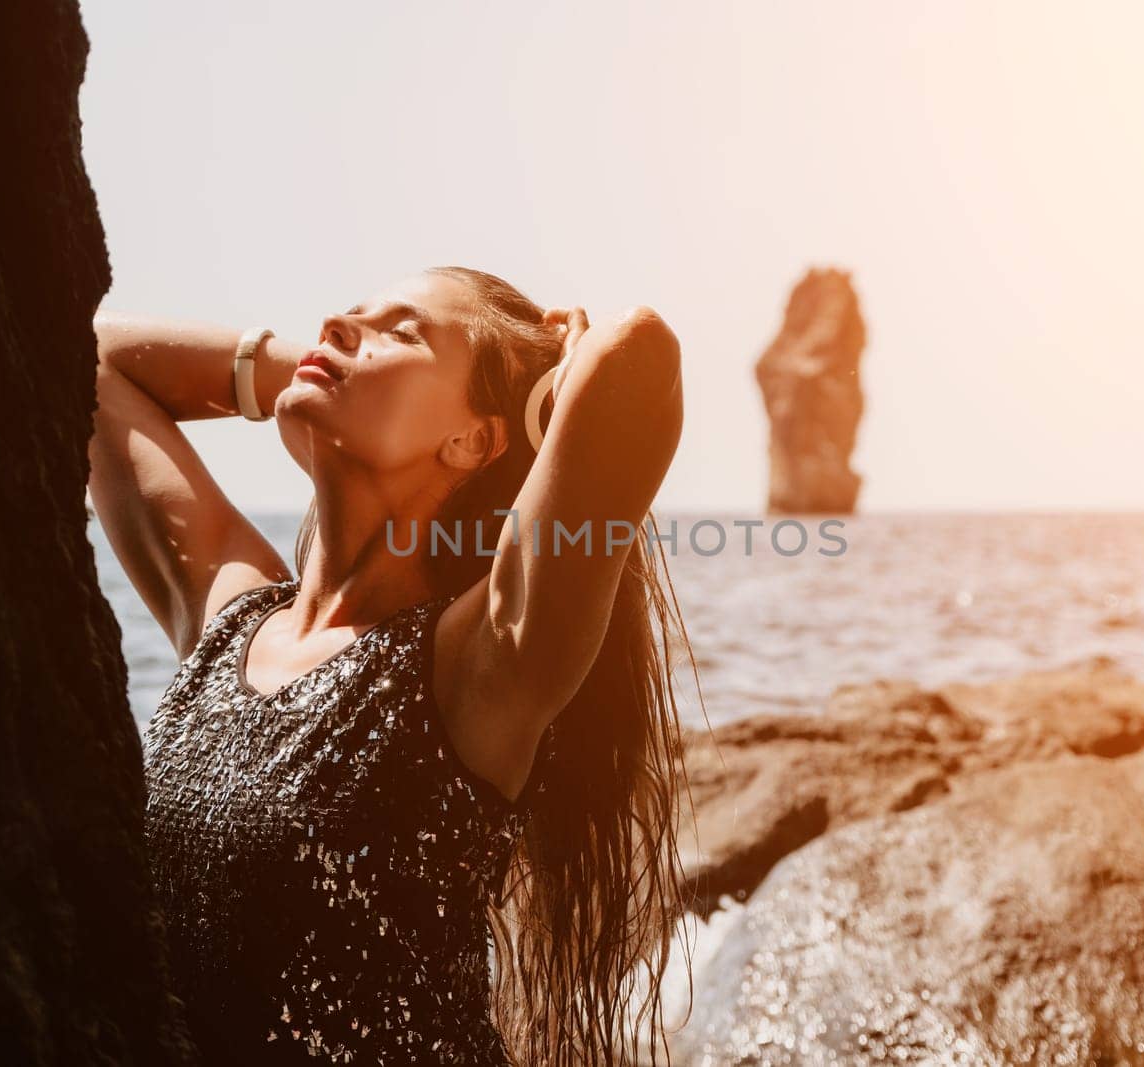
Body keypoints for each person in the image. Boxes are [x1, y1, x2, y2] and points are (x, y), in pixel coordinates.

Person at [87, 266, 694, 1065]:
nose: (339, 322)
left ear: (472, 439)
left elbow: (639, 356)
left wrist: (555, 383)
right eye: (348, 316)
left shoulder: (478, 667)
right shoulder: (229, 613)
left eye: (401, 332)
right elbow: (85, 359)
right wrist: (295, 368)